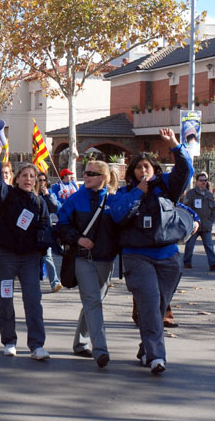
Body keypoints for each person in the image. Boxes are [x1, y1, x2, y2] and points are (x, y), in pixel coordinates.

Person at [109, 128, 194, 374]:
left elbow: (185, 171)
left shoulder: (166, 188)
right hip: (137, 256)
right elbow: (116, 215)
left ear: (155, 170)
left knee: (158, 306)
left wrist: (175, 145)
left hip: (168, 256)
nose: (143, 170)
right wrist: (138, 192)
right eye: (138, 167)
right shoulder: (125, 193)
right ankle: (157, 356)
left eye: (147, 166)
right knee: (148, 302)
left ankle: (146, 346)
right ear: (132, 172)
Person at [0, 141, 51, 361]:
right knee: (5, 298)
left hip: (30, 259)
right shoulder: (6, 195)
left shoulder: (39, 202)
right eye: (24, 175)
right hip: (5, 256)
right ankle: (9, 341)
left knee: (33, 300)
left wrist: (43, 240)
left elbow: (45, 225)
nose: (28, 179)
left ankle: (37, 345)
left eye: (32, 176)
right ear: (16, 179)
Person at [57, 161, 119, 368]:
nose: (86, 175)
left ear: (103, 177)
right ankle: (100, 350)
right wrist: (77, 239)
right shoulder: (75, 199)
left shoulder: (114, 200)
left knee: (93, 302)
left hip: (106, 260)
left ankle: (80, 343)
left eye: (91, 173)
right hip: (82, 259)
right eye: (85, 172)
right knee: (93, 301)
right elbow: (62, 226)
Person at [182, 172, 215, 271]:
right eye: (201, 180)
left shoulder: (209, 194)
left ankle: (213, 263)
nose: (204, 182)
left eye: (205, 180)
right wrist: (190, 222)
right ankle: (187, 262)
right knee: (190, 245)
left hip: (206, 225)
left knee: (209, 245)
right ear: (196, 182)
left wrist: (211, 221)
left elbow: (213, 209)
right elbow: (186, 208)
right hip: (194, 225)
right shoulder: (191, 194)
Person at [37, 172, 62, 292]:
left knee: (47, 256)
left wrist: (47, 195)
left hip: (45, 230)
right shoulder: (31, 195)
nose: (42, 183)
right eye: (39, 180)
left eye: (43, 180)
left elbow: (55, 207)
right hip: (33, 231)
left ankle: (55, 282)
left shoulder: (49, 194)